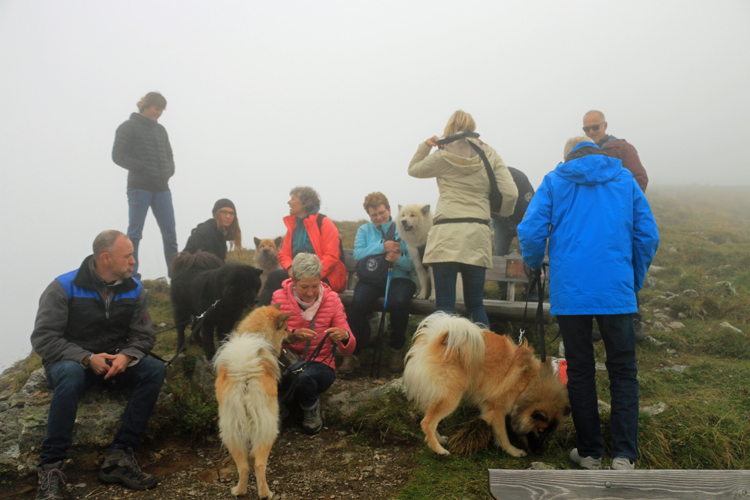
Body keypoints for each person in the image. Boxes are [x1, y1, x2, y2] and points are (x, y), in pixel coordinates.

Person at [517, 137, 659, 471]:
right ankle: (624, 455)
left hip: (572, 294)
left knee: (579, 371)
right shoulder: (624, 178)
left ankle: (590, 452)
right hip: (616, 293)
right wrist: (631, 280)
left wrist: (534, 262)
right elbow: (648, 235)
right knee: (623, 371)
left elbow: (530, 231)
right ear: (599, 151)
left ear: (567, 157)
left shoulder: (556, 180)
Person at [31, 230, 167, 499]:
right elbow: (43, 338)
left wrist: (127, 355)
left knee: (155, 370)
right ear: (106, 258)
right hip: (71, 363)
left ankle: (120, 456)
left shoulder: (135, 289)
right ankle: (50, 469)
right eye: (127, 256)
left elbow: (144, 335)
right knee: (69, 374)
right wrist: (85, 358)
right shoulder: (63, 286)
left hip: (114, 363)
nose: (133, 262)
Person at [408, 110, 518, 326]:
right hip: (476, 233)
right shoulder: (490, 153)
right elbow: (511, 193)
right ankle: (481, 357)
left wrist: (426, 146)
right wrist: (502, 212)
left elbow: (413, 169)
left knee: (444, 307)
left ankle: (443, 358)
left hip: (446, 234)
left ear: (449, 127)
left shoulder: (441, 154)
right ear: (472, 128)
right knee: (476, 305)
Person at [583, 110, 649, 339]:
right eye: (587, 129)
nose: (591, 132)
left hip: (617, 223)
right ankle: (594, 322)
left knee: (623, 267)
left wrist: (622, 210)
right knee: (592, 268)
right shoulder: (580, 151)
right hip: (590, 224)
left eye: (595, 127)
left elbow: (639, 179)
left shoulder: (622, 148)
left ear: (605, 125)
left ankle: (634, 321)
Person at [272, 253, 355, 434]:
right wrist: (293, 335)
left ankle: (310, 407)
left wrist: (344, 336)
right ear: (293, 280)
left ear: (320, 279)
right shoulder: (279, 297)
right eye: (304, 287)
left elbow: (350, 345)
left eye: (315, 286)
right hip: (285, 362)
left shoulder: (332, 299)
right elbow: (268, 335)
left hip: (319, 366)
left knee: (303, 376)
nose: (310, 293)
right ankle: (276, 408)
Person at [342, 192, 417, 374]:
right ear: (369, 215)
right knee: (358, 303)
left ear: (389, 209)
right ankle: (353, 353)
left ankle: (396, 349)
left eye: (382, 213)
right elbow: (358, 254)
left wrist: (398, 258)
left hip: (400, 276)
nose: (378, 218)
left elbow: (414, 264)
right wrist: (382, 246)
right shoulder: (364, 230)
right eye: (374, 215)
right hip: (372, 278)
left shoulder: (404, 227)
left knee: (398, 302)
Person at [112, 91, 177, 280]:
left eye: (162, 110)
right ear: (146, 106)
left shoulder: (161, 130)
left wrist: (168, 170)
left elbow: (169, 155)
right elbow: (117, 155)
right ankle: (132, 277)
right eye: (157, 109)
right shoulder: (128, 127)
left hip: (162, 188)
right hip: (139, 187)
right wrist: (141, 167)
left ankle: (177, 277)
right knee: (134, 234)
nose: (159, 113)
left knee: (170, 234)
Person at [258, 186, 347, 305]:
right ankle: (260, 319)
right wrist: (290, 268)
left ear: (305, 202)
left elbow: (331, 257)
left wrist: (311, 275)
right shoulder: (293, 225)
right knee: (274, 276)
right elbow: (284, 254)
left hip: (324, 276)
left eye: (292, 199)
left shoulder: (324, 222)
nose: (289, 202)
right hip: (297, 275)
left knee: (303, 287)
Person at [491, 166, 537, 301]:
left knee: (529, 251)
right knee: (499, 253)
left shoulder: (520, 179)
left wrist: (519, 226)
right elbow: (486, 207)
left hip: (524, 216)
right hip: (501, 218)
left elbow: (531, 208)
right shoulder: (486, 181)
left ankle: (531, 292)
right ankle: (504, 293)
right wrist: (505, 222)